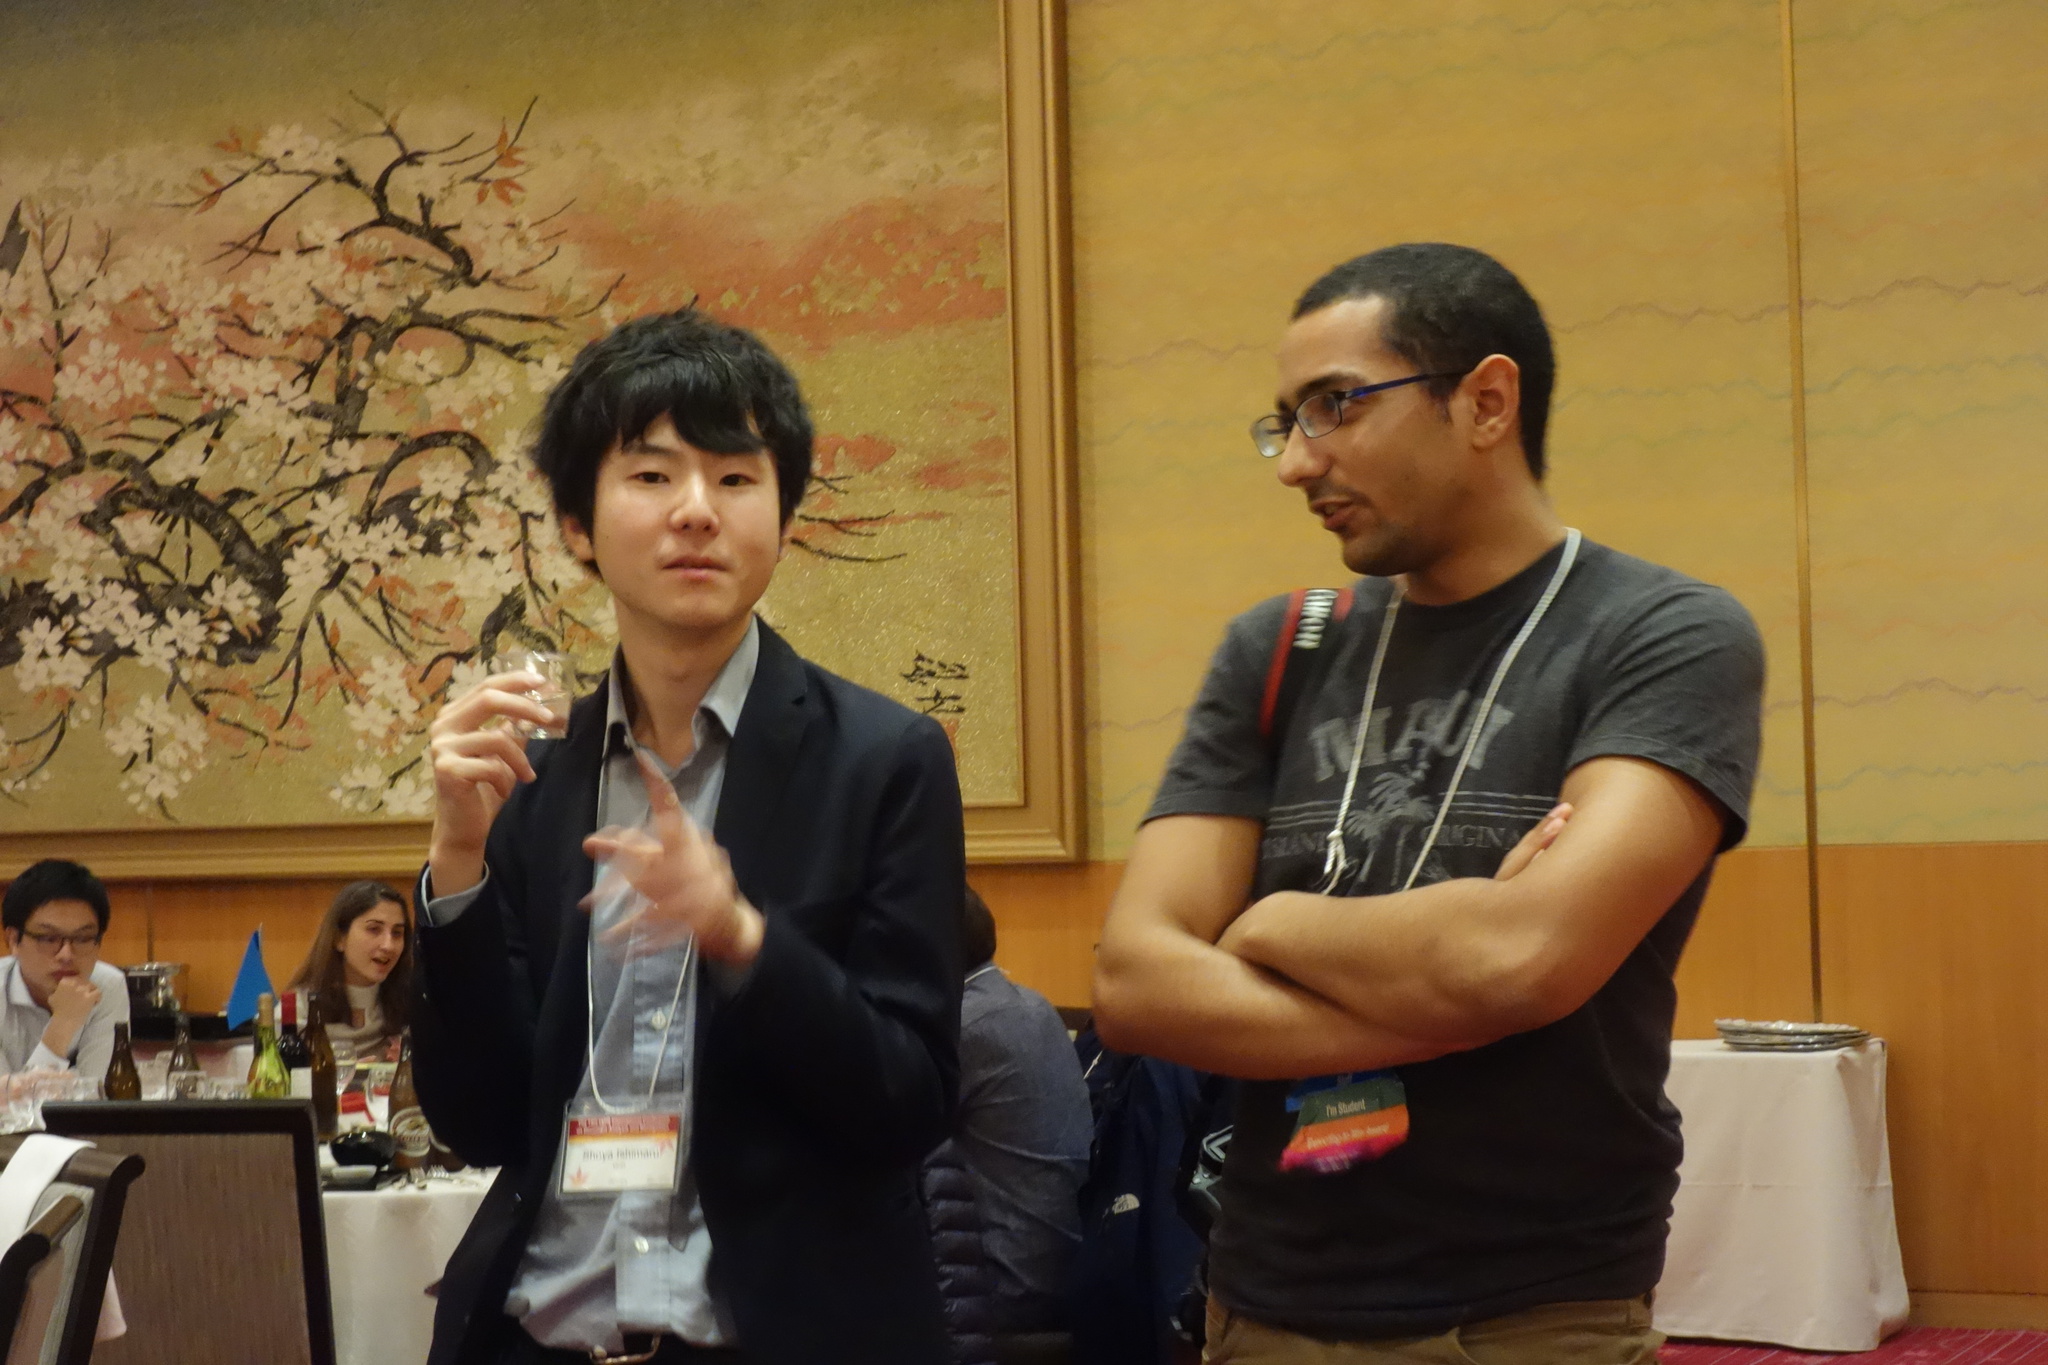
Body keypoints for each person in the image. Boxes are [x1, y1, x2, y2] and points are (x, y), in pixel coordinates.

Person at [1093, 243, 1765, 1364]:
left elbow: (1522, 960)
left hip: (1529, 1317)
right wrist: (1457, 986)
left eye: (1334, 406)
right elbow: (1131, 984)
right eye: (1285, 422)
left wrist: (1269, 923)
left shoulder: (1660, 635)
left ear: (1486, 402)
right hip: (1259, 1308)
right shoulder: (1281, 646)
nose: (1295, 463)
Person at [412, 307, 965, 1365]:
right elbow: (480, 1121)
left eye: (736, 476)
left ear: (783, 517)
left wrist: (742, 939)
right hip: (544, 1334)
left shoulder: (883, 760)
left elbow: (910, 1104)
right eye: (652, 475)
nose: (697, 510)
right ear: (577, 526)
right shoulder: (532, 774)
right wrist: (458, 864)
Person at [944, 886, 1090, 1334]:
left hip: (1007, 1285)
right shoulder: (1029, 1003)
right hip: (1064, 1269)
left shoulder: (964, 1028)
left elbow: (869, 1132)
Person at [0, 858, 131, 1082]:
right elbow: (6, 1099)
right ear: (13, 940)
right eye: (48, 938)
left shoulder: (107, 986)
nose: (66, 954)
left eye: (82, 938)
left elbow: (99, 1090)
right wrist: (64, 1023)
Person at [285, 880, 411, 1054]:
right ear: (339, 938)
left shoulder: (411, 1001)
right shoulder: (298, 1009)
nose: (388, 945)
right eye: (374, 929)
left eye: (397, 933)